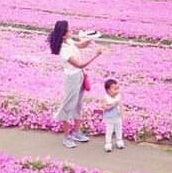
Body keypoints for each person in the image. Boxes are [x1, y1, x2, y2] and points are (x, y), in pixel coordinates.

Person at [48, 20, 102, 149]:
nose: (72, 31)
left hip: (79, 76)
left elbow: (81, 45)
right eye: (69, 30)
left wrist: (90, 38)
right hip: (71, 78)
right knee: (67, 106)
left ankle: (76, 132)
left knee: (78, 105)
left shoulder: (69, 41)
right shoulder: (64, 50)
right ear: (63, 34)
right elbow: (80, 64)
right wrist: (96, 55)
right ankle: (67, 137)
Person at [102, 78, 124, 152]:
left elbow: (120, 105)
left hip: (117, 116)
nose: (117, 90)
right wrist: (112, 105)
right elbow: (104, 106)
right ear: (108, 90)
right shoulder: (106, 97)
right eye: (115, 89)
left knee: (119, 129)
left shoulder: (118, 96)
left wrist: (122, 114)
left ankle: (119, 141)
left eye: (118, 88)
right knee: (109, 131)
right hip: (109, 118)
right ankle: (108, 143)